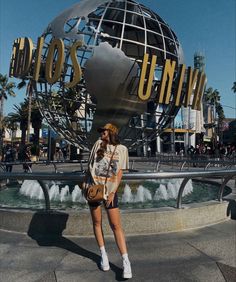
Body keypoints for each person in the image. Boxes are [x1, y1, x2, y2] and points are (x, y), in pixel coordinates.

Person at [82, 123, 132, 279]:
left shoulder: (122, 149)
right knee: (97, 223)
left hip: (110, 192)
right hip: (94, 190)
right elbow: (89, 165)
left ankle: (126, 261)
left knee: (116, 226)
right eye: (101, 130)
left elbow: (119, 174)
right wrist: (85, 185)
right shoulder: (98, 144)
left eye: (104, 131)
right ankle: (103, 254)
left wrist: (112, 192)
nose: (101, 132)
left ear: (111, 132)